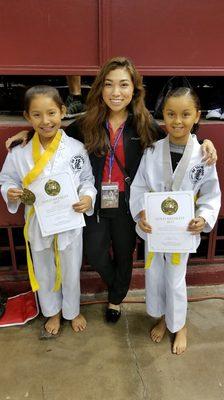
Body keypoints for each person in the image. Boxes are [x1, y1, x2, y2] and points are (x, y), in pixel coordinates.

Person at [5, 58, 218, 324]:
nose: (116, 92)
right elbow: (53, 135)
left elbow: (176, 140)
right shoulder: (87, 123)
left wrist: (205, 141)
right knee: (94, 252)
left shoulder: (144, 125)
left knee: (124, 252)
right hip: (93, 202)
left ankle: (115, 299)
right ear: (100, 89)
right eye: (109, 85)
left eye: (123, 85)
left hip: (128, 203)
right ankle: (117, 287)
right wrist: (27, 133)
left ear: (134, 90)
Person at [130, 86, 221, 354]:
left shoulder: (203, 155)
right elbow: (139, 188)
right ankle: (161, 317)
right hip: (157, 230)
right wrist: (141, 213)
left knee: (175, 279)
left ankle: (179, 325)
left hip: (181, 230)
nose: (177, 121)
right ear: (163, 116)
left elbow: (210, 194)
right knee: (155, 275)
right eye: (170, 114)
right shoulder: (152, 151)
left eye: (185, 114)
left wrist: (203, 218)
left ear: (197, 116)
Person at [0, 85, 96, 338]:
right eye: (37, 115)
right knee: (44, 268)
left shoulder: (76, 148)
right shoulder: (19, 153)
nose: (46, 121)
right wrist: (10, 191)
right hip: (39, 222)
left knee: (71, 268)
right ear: (27, 116)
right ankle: (52, 311)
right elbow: (7, 179)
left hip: (69, 220)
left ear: (63, 111)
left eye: (51, 113)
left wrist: (87, 197)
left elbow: (87, 179)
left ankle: (72, 311)